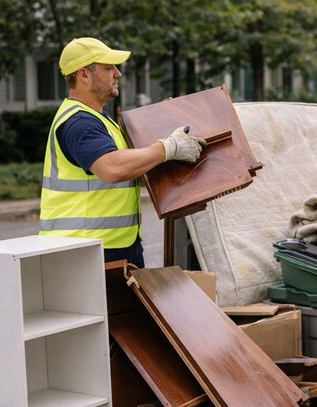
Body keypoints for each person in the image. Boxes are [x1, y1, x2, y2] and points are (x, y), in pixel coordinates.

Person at [39, 37, 206, 267]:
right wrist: (169, 147)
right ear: (83, 75)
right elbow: (112, 168)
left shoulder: (100, 119)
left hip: (111, 246)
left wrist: (165, 131)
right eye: (108, 68)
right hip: (87, 252)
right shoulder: (79, 122)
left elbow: (132, 164)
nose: (117, 73)